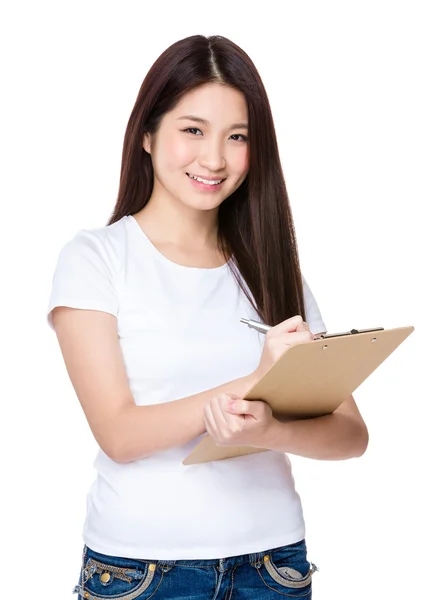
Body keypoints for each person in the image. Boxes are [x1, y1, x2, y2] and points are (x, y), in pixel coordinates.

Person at [47, 34, 369, 599]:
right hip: (143, 573)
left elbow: (350, 435)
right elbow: (119, 433)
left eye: (237, 137)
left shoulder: (270, 268)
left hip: (273, 567)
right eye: (192, 130)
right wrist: (255, 384)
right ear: (148, 134)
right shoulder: (96, 259)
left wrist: (270, 428)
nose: (214, 158)